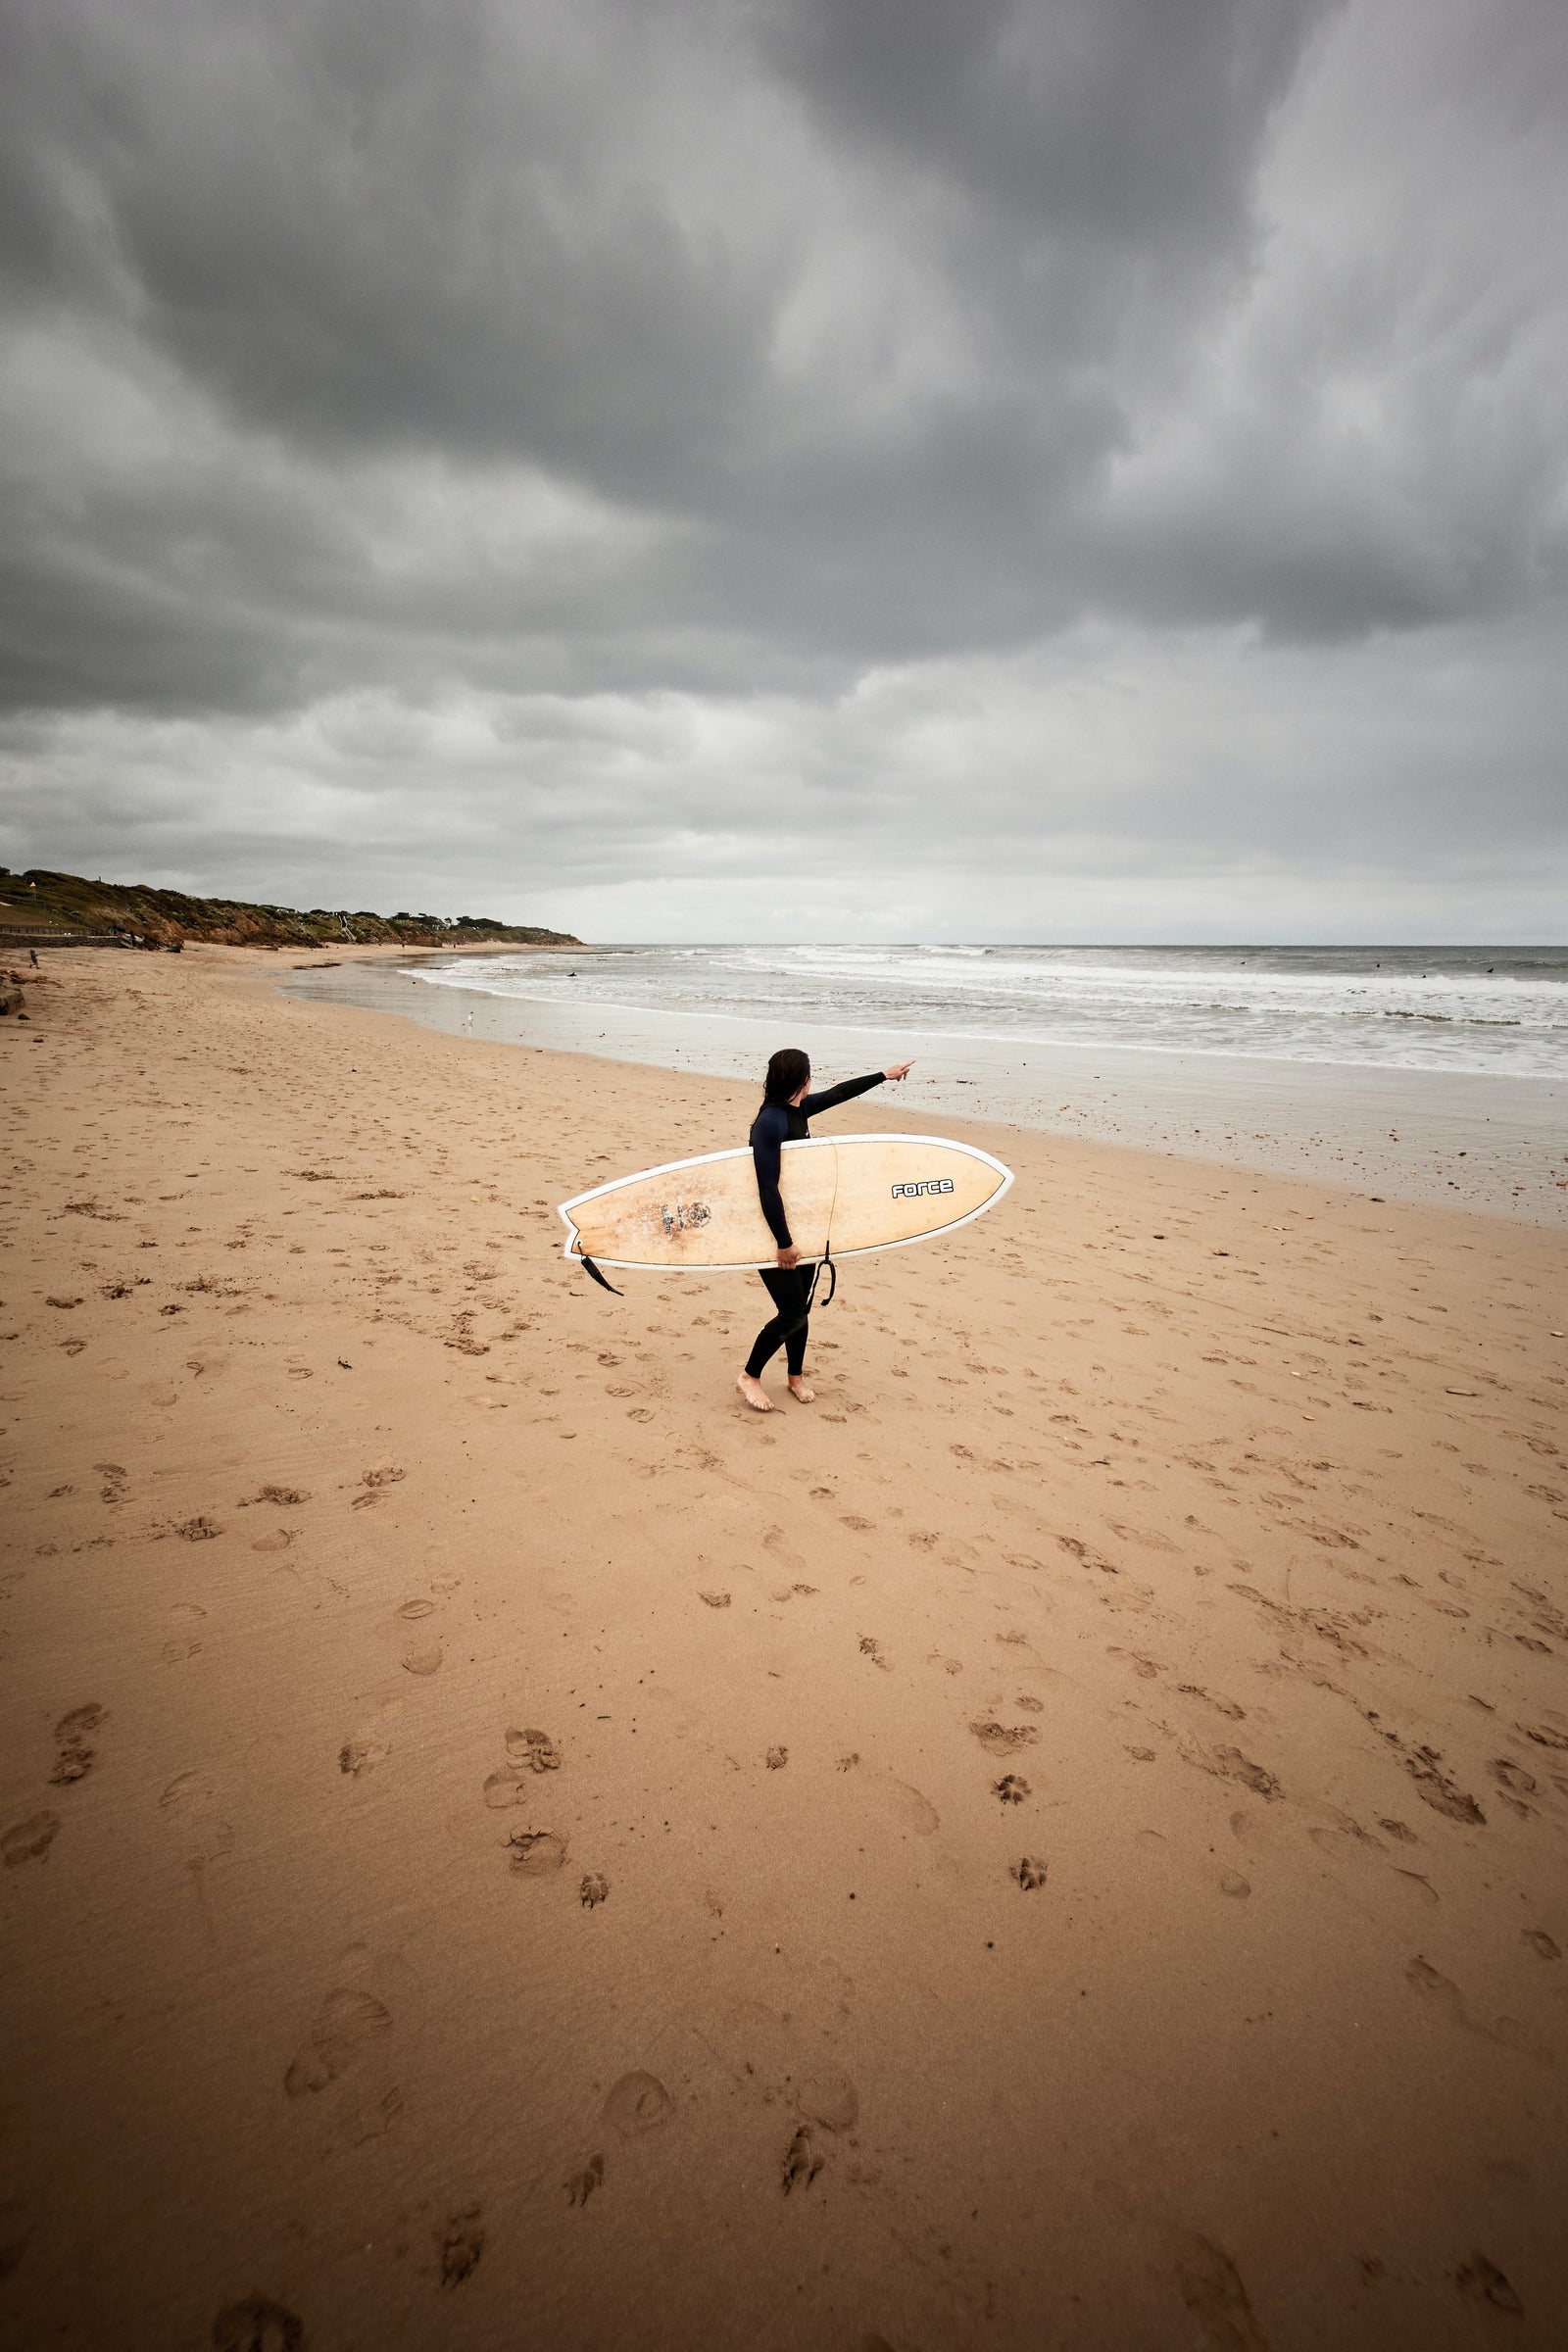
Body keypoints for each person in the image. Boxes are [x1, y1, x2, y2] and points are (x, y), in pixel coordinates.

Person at [737, 1048, 913, 1413]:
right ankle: (750, 1376)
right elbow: (766, 1187)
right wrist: (784, 1243)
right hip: (774, 1232)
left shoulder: (796, 1110)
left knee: (801, 1309)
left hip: (802, 1228)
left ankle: (795, 1376)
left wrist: (884, 1075)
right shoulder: (771, 1122)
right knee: (791, 1314)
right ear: (803, 1078)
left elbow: (839, 1094)